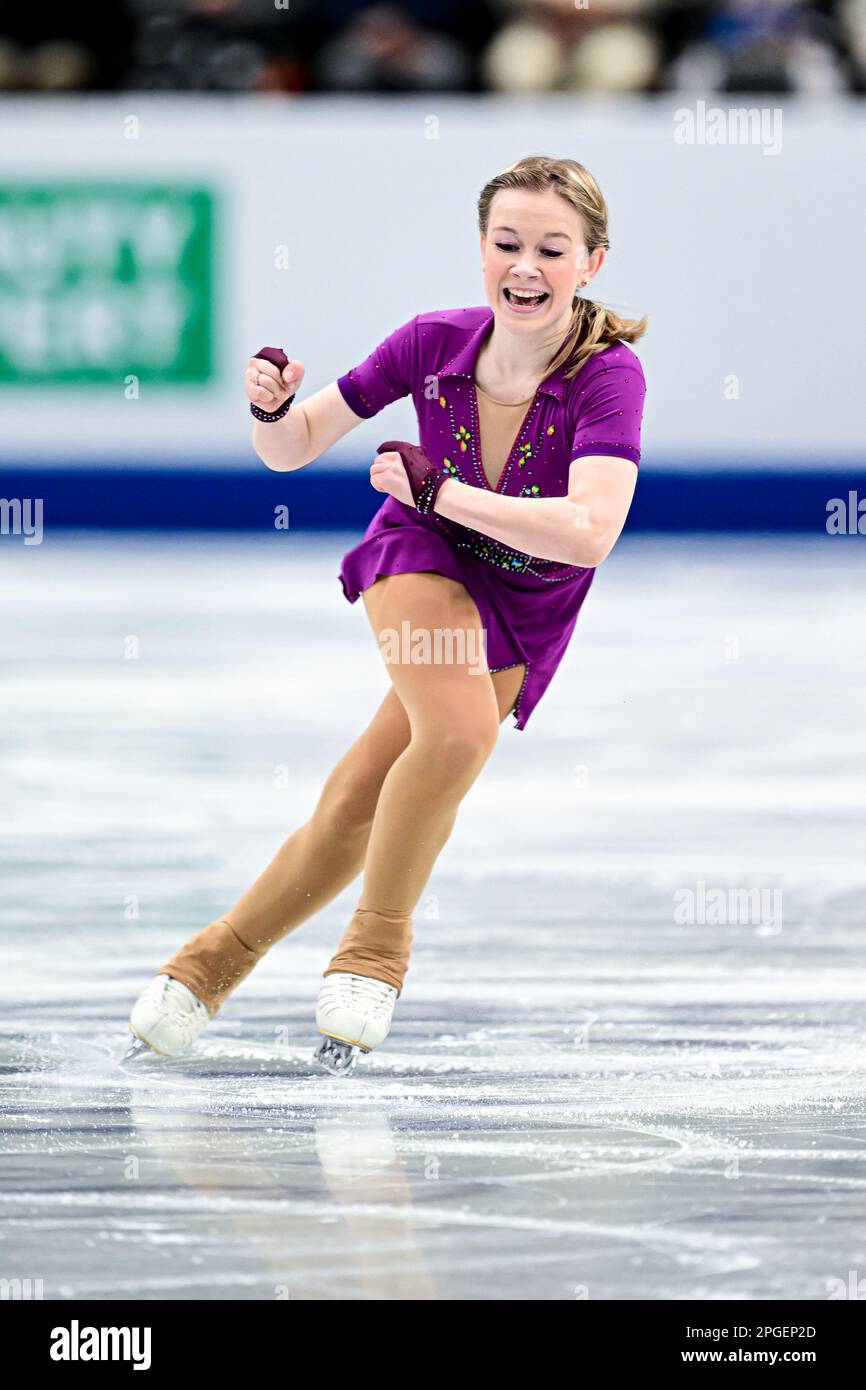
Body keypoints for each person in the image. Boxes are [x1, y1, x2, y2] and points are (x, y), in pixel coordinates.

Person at [126, 153, 648, 1072]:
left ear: (591, 263)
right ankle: (377, 948)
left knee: (361, 802)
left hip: (529, 598)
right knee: (453, 738)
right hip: (420, 557)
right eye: (507, 244)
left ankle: (205, 966)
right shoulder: (431, 342)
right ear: (481, 250)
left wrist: (444, 490)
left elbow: (588, 532)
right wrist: (273, 407)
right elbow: (293, 448)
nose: (526, 266)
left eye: (551, 250)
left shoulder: (607, 378)